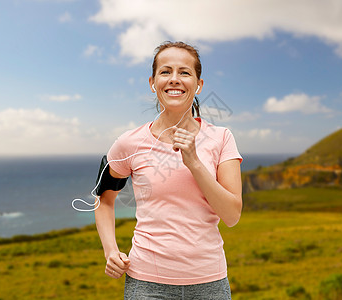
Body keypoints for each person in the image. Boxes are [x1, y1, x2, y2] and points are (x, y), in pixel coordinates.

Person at [94, 41, 242, 300]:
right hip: (146, 284)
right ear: (153, 82)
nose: (175, 79)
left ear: (199, 84)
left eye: (184, 72)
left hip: (210, 283)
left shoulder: (221, 138)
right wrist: (110, 250)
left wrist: (194, 162)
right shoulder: (129, 143)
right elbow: (103, 199)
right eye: (166, 72)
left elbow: (231, 215)